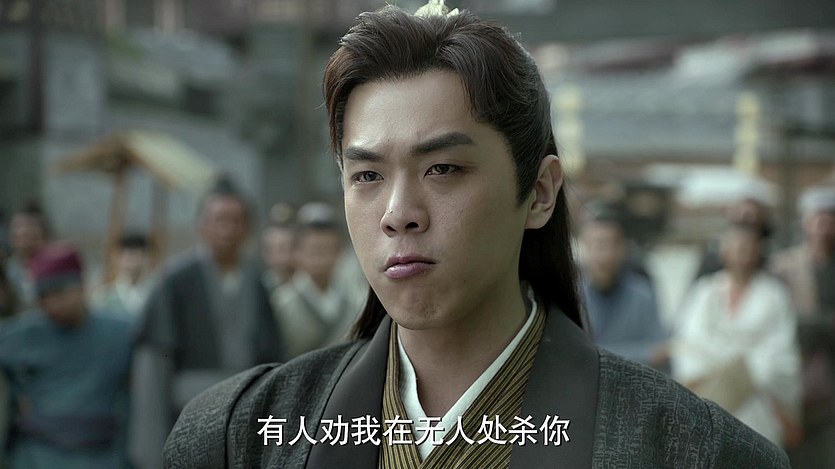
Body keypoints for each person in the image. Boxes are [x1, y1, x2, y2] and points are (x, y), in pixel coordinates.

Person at [165, 3, 789, 467]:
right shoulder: (237, 437)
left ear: (539, 192)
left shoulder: (693, 450)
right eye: (367, 176)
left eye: (443, 169)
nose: (398, 213)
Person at [129, 177, 285, 469]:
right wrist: (151, 453)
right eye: (218, 220)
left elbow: (274, 362)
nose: (227, 229)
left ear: (248, 228)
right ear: (201, 225)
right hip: (186, 419)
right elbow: (153, 369)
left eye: (236, 220)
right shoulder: (174, 282)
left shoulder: (257, 282)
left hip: (246, 421)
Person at [0, 244, 133, 468]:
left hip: (100, 453)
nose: (52, 304)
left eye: (59, 292)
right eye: (43, 296)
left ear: (81, 285)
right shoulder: (23, 335)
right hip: (37, 453)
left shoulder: (122, 333)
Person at [672, 222, 802, 447]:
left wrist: (741, 371)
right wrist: (729, 366)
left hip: (758, 401)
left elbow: (781, 352)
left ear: (758, 251)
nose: (742, 252)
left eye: (748, 247)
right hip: (711, 397)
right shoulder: (704, 291)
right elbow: (688, 344)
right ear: (724, 250)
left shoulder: (774, 294)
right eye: (736, 246)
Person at [769, 186, 835, 468]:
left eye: (829, 220)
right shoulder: (784, 266)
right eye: (817, 219)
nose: (823, 227)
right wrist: (824, 323)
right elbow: (777, 317)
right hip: (799, 366)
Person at [578, 203, 668, 370]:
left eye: (614, 244)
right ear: (585, 246)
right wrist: (641, 354)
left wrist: (596, 353)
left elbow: (660, 352)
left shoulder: (643, 294)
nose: (607, 254)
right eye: (600, 245)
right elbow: (575, 354)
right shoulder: (571, 295)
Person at [273, 219, 364, 358]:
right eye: (314, 250)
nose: (321, 258)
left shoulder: (355, 302)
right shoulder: (281, 302)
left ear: (339, 254)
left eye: (328, 250)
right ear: (298, 253)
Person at [91, 233, 154, 319]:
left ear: (146, 258)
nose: (132, 260)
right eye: (128, 254)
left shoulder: (154, 293)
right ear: (117, 258)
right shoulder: (104, 296)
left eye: (137, 254)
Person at [4, 201, 49, 312]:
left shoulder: (54, 263)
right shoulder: (7, 270)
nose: (24, 230)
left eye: (30, 228)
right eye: (18, 228)